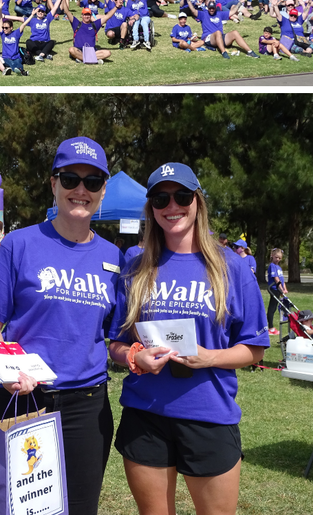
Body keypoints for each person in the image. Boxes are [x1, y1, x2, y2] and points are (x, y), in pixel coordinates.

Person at [0, 136, 125, 515]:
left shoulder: (113, 257)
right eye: (70, 178)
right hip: (23, 399)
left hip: (86, 408)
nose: (80, 190)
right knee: (9, 508)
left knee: (78, 509)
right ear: (53, 183)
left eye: (92, 182)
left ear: (102, 191)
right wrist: (8, 372)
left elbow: (117, 336)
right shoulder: (19, 244)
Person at [109, 162, 267, 515]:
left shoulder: (232, 267)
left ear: (198, 201)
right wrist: (135, 357)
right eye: (161, 199)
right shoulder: (136, 266)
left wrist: (208, 357)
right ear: (151, 208)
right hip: (145, 415)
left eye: (182, 195)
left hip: (208, 415)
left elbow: (254, 348)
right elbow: (115, 343)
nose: (172, 206)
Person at [267, 248, 287, 335]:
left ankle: (271, 327)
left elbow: (282, 279)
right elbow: (276, 279)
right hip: (274, 289)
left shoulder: (279, 267)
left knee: (274, 308)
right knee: (272, 308)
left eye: (279, 258)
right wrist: (281, 289)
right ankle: (270, 328)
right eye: (276, 257)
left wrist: (284, 288)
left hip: (278, 289)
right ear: (272, 256)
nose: (278, 259)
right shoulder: (272, 266)